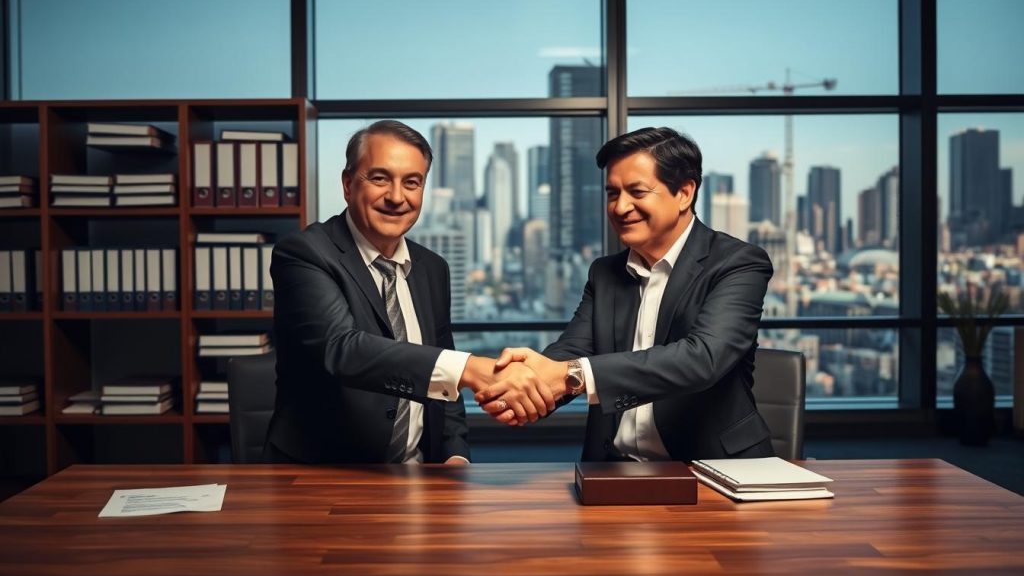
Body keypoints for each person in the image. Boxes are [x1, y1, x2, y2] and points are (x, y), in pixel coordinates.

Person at [478, 127, 776, 462]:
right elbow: (572, 350)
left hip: (713, 468)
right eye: (612, 193)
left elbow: (703, 358)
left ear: (684, 193)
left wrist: (572, 376)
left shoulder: (738, 262)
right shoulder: (605, 272)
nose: (620, 207)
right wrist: (525, 385)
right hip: (613, 470)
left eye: (637, 192)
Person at [265, 120, 550, 465]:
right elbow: (342, 349)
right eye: (380, 178)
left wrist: (455, 454)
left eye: (411, 182)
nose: (396, 197)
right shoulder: (304, 253)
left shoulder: (432, 268)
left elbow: (444, 377)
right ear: (348, 184)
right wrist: (472, 369)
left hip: (420, 474)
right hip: (325, 476)